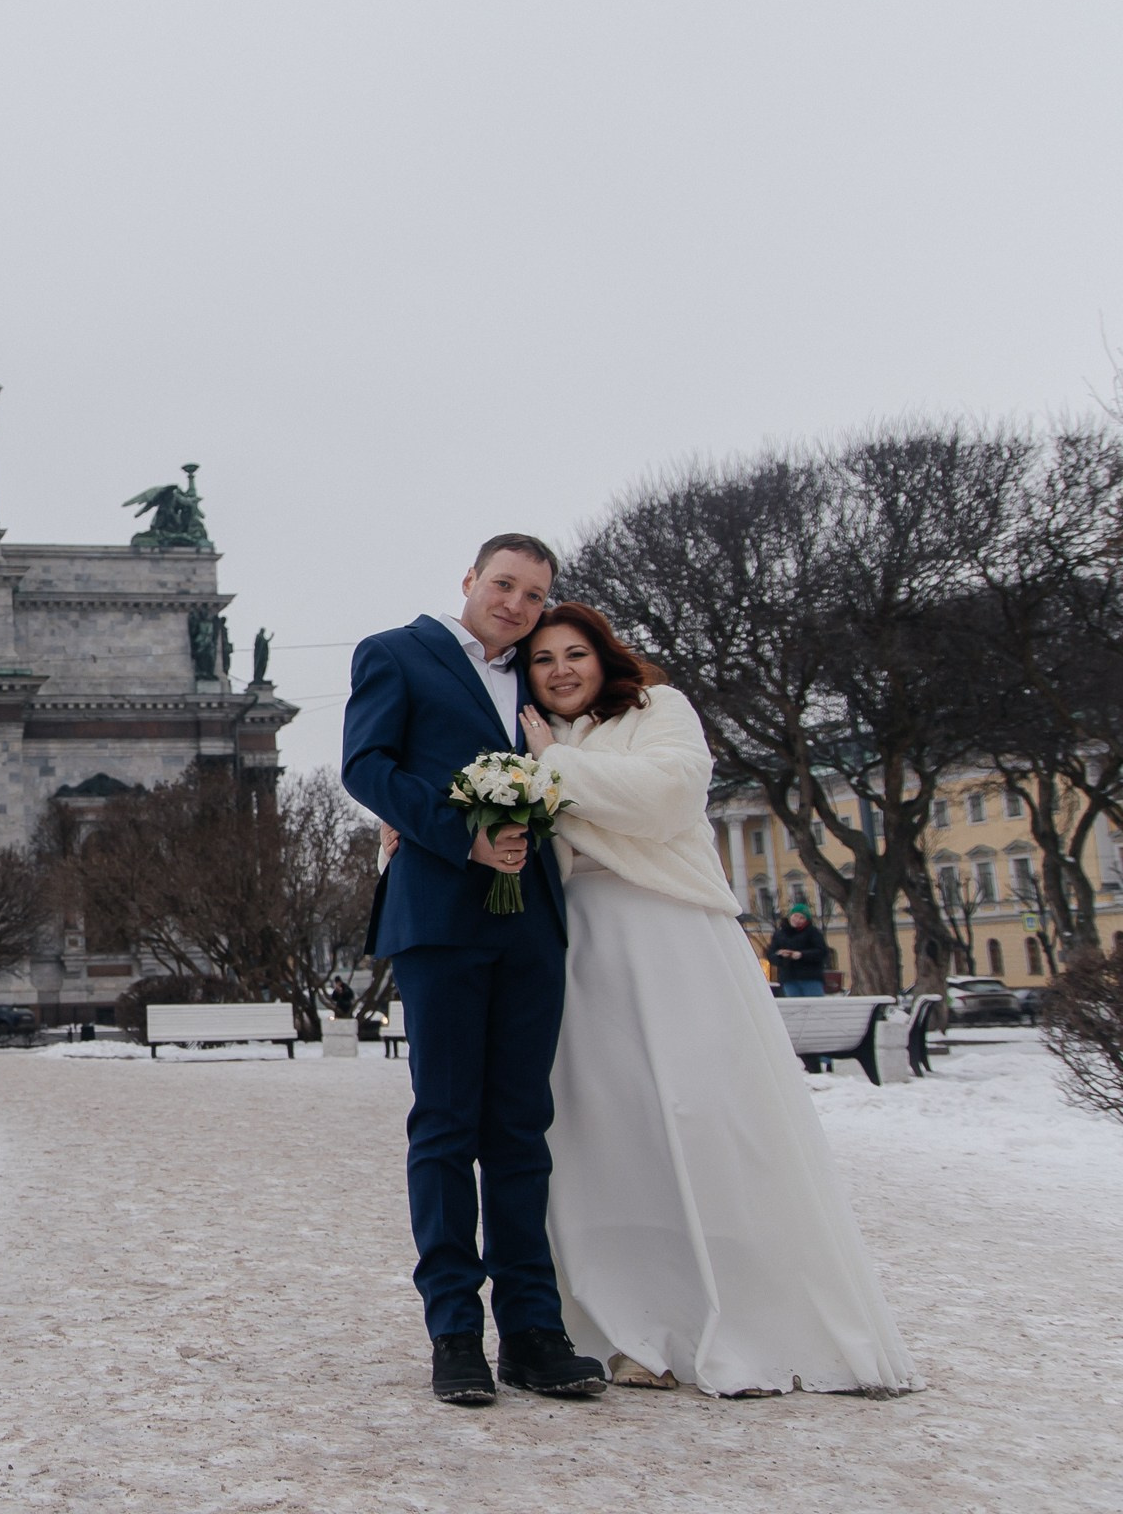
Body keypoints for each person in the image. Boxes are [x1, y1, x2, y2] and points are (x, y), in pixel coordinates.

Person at [516, 602, 916, 1397]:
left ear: (605, 658)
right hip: (583, 951)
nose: (561, 668)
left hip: (674, 936)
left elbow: (663, 799)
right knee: (610, 1141)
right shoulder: (525, 743)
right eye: (542, 659)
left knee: (712, 1121)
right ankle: (633, 1327)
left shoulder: (658, 710)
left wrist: (551, 765)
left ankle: (755, 1316)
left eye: (575, 652)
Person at [342, 534, 606, 1406]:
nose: (518, 606)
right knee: (448, 1128)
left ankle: (533, 1330)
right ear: (470, 581)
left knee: (523, 1130)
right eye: (505, 585)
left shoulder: (536, 676)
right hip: (443, 918)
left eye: (535, 595)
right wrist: (463, 834)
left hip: (533, 922)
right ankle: (455, 1332)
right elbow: (366, 767)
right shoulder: (396, 654)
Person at [770, 905, 829, 997]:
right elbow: (771, 955)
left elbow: (822, 952)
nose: (797, 920)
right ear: (790, 916)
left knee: (814, 1006)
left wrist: (802, 955)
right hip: (788, 978)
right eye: (795, 916)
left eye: (802, 918)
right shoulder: (779, 934)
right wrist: (780, 955)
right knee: (795, 1008)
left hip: (810, 978)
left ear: (806, 920)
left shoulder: (813, 932)